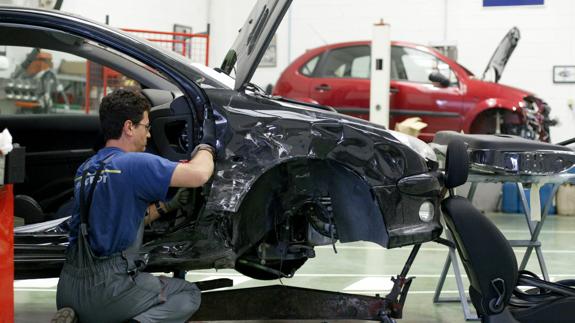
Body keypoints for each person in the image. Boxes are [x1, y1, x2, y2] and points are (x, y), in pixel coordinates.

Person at [54, 88, 216, 323]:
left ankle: (83, 317)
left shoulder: (87, 168)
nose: (149, 135)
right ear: (129, 127)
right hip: (107, 289)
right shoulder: (134, 163)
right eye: (147, 127)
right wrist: (207, 146)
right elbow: (199, 174)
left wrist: (166, 207)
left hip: (69, 288)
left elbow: (115, 221)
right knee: (187, 294)